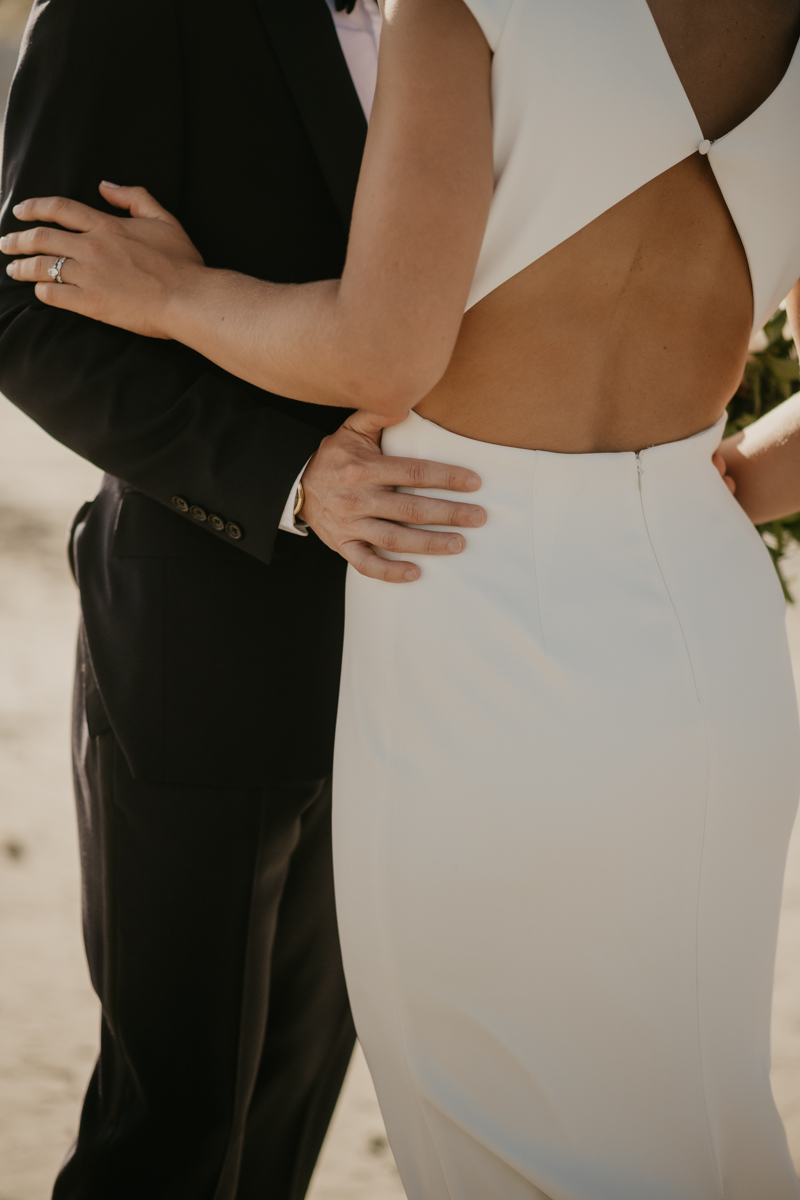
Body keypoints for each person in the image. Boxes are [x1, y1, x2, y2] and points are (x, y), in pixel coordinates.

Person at [4, 0, 800, 1195]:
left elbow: (383, 351)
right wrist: (705, 490)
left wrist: (180, 293)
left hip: (450, 641)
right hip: (246, 641)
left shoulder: (464, 7)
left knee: (436, 1114)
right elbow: (26, 307)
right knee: (181, 1128)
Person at [0, 0, 487, 1196]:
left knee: (288, 1114)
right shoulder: (125, 17)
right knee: (169, 1130)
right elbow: (25, 315)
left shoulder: (497, 29)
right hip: (201, 648)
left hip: (422, 662)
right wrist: (290, 478)